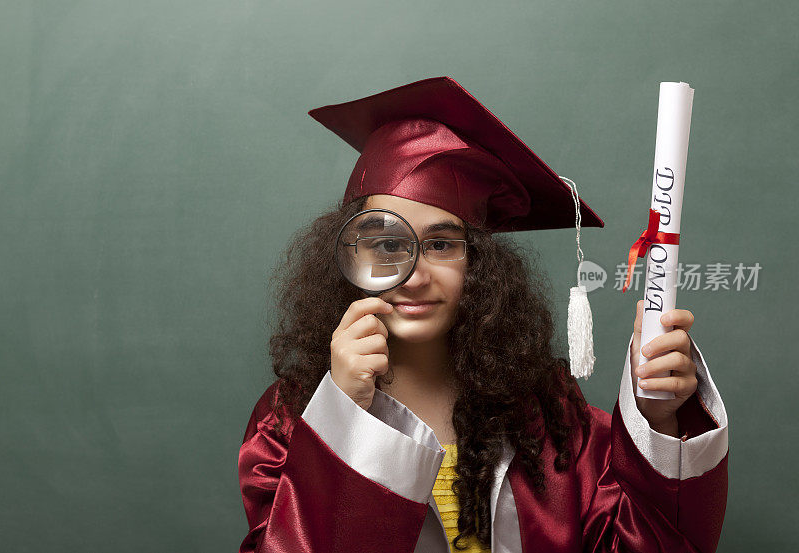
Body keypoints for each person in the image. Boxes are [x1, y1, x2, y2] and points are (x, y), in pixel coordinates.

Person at [237, 77, 728, 553]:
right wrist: (342, 418)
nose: (414, 275)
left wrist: (662, 422)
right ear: (348, 257)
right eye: (387, 244)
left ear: (478, 265)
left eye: (442, 244)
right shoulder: (289, 419)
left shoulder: (550, 420)